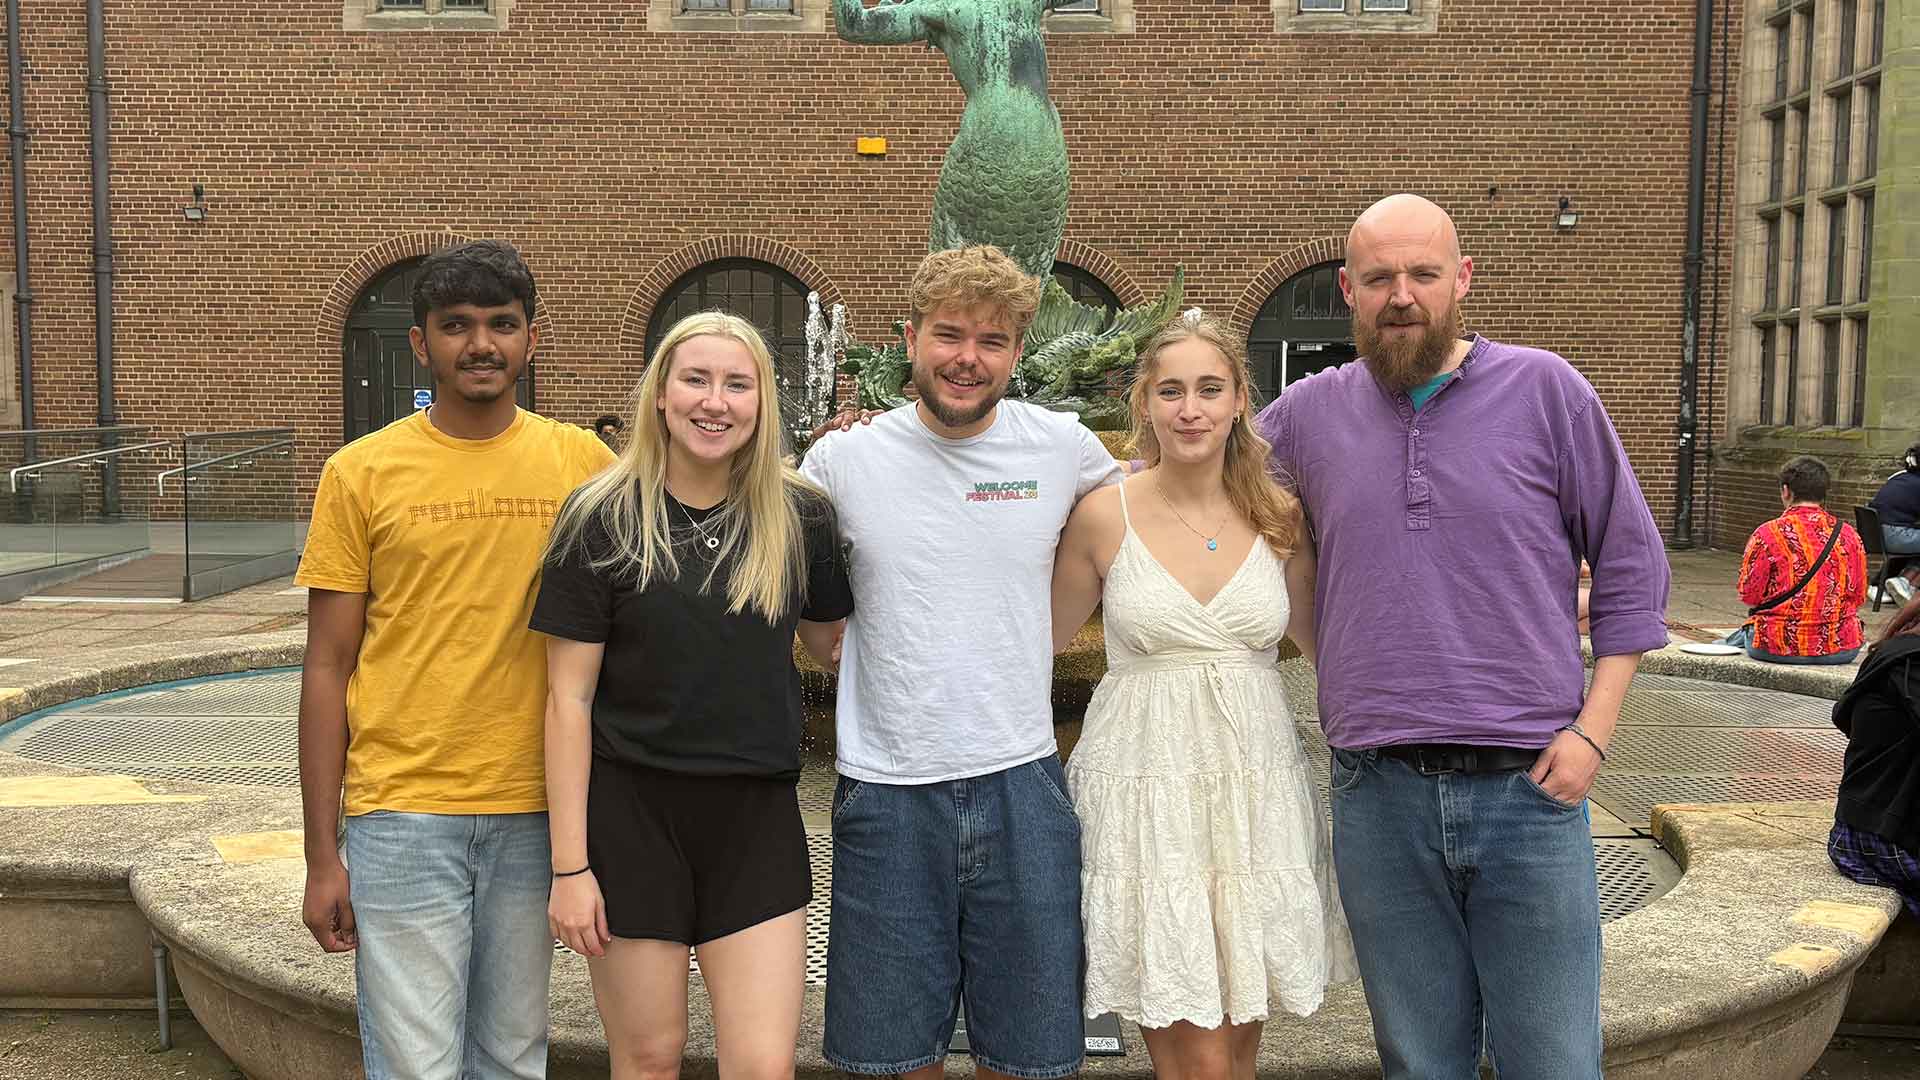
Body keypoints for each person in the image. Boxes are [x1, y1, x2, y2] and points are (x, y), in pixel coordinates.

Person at [1253, 193, 1671, 1079]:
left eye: (1423, 274)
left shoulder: (1550, 391)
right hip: (1377, 794)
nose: (1401, 295)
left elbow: (1632, 565)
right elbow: (1184, 471)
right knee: (1419, 1062)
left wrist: (1595, 730)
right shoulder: (1305, 416)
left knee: (1554, 1061)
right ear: (1348, 290)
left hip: (1531, 789)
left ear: (1462, 279)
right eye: (1379, 278)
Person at [799, 244, 1121, 1080]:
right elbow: (798, 596)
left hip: (1023, 779)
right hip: (886, 785)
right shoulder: (842, 460)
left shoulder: (1062, 447)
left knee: (1029, 1054)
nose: (966, 359)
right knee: (893, 1056)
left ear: (1018, 352)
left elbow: (1167, 498)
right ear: (909, 337)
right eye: (948, 335)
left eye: (992, 341)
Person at [295, 239, 616, 1080]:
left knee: (513, 1054)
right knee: (415, 1064)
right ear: (421, 343)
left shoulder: (583, 464)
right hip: (401, 810)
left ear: (531, 340)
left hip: (537, 810)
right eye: (457, 326)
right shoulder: (359, 473)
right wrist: (322, 854)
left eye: (502, 325)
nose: (481, 344)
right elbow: (327, 669)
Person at [532, 311, 853, 1080]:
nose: (717, 402)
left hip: (755, 819)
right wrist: (570, 867)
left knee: (763, 1065)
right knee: (647, 1058)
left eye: (737, 384)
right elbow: (566, 701)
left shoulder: (800, 513)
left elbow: (837, 645)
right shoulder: (600, 517)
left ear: (761, 403)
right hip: (633, 820)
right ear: (662, 397)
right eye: (697, 380)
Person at [1051, 310, 1353, 1079]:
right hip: (1147, 788)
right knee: (1196, 1051)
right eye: (1172, 390)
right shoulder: (1101, 515)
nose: (1191, 409)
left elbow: (1333, 648)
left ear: (1239, 400)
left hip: (1254, 787)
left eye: (1210, 389)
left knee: (1238, 1043)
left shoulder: (1280, 515)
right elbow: (1033, 652)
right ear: (1145, 403)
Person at [1828, 591, 1920, 918]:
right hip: (1883, 840)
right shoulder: (1912, 665)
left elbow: (1842, 716)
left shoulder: (1897, 650)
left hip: (1863, 825)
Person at [1732, 456, 1867, 665]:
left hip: (1775, 646)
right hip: (1841, 648)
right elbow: (1858, 595)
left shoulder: (1767, 534)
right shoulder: (1849, 535)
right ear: (1823, 493)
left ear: (1786, 490)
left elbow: (1749, 594)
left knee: (1736, 637)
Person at [1867, 443, 1920, 603]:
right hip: (1894, 536)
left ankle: (1879, 586)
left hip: (1875, 534)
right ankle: (1906, 581)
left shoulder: (1898, 477)